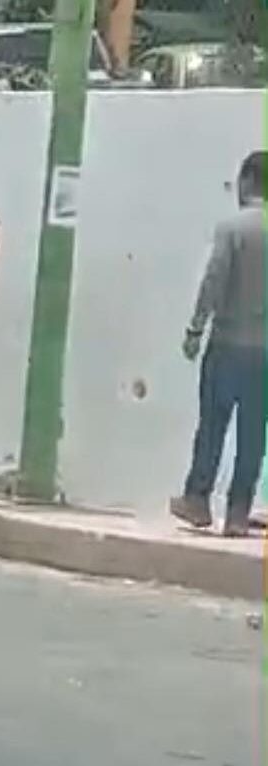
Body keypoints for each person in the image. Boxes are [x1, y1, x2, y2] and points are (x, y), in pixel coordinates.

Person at [170, 151, 266, 537]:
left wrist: (196, 329)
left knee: (212, 425)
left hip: (227, 343)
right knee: (254, 434)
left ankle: (198, 499)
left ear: (246, 182)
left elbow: (215, 279)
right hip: (265, 353)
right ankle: (239, 513)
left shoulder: (233, 228)